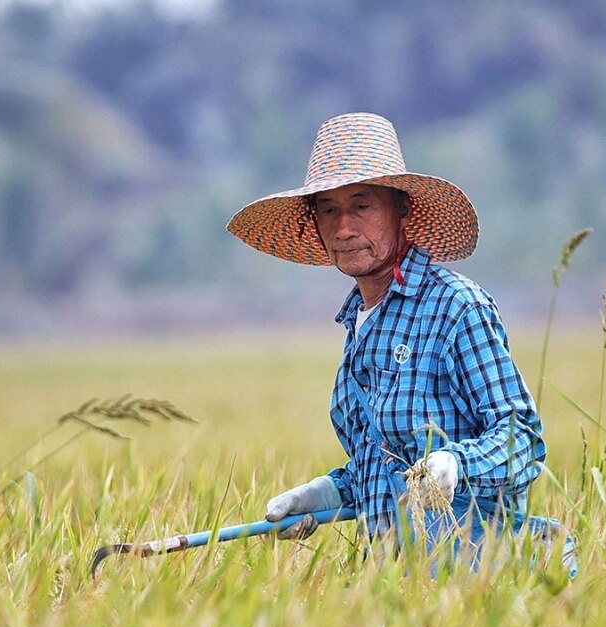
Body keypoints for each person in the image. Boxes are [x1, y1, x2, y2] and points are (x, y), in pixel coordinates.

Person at [226, 112, 577, 577]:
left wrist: (456, 463)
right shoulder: (358, 325)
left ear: (401, 209)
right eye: (327, 210)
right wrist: (328, 493)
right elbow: (389, 466)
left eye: (362, 206)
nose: (344, 227)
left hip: (476, 577)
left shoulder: (456, 307)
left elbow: (521, 440)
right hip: (397, 583)